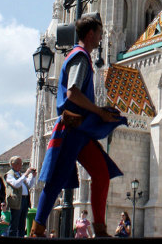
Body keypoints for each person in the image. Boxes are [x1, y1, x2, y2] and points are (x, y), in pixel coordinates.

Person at [32, 15, 127, 238]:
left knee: (101, 173)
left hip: (80, 131)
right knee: (56, 180)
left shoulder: (82, 57)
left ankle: (100, 229)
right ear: (91, 34)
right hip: (71, 129)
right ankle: (37, 229)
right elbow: (73, 92)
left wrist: (99, 111)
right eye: (100, 33)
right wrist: (99, 112)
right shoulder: (80, 58)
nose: (102, 37)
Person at [5, 156, 36, 237]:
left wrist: (33, 176)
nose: (21, 165)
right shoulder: (9, 174)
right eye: (18, 163)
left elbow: (29, 185)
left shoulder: (20, 174)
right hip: (17, 200)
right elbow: (16, 184)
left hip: (25, 200)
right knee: (14, 223)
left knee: (22, 224)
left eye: (21, 163)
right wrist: (25, 174)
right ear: (12, 164)